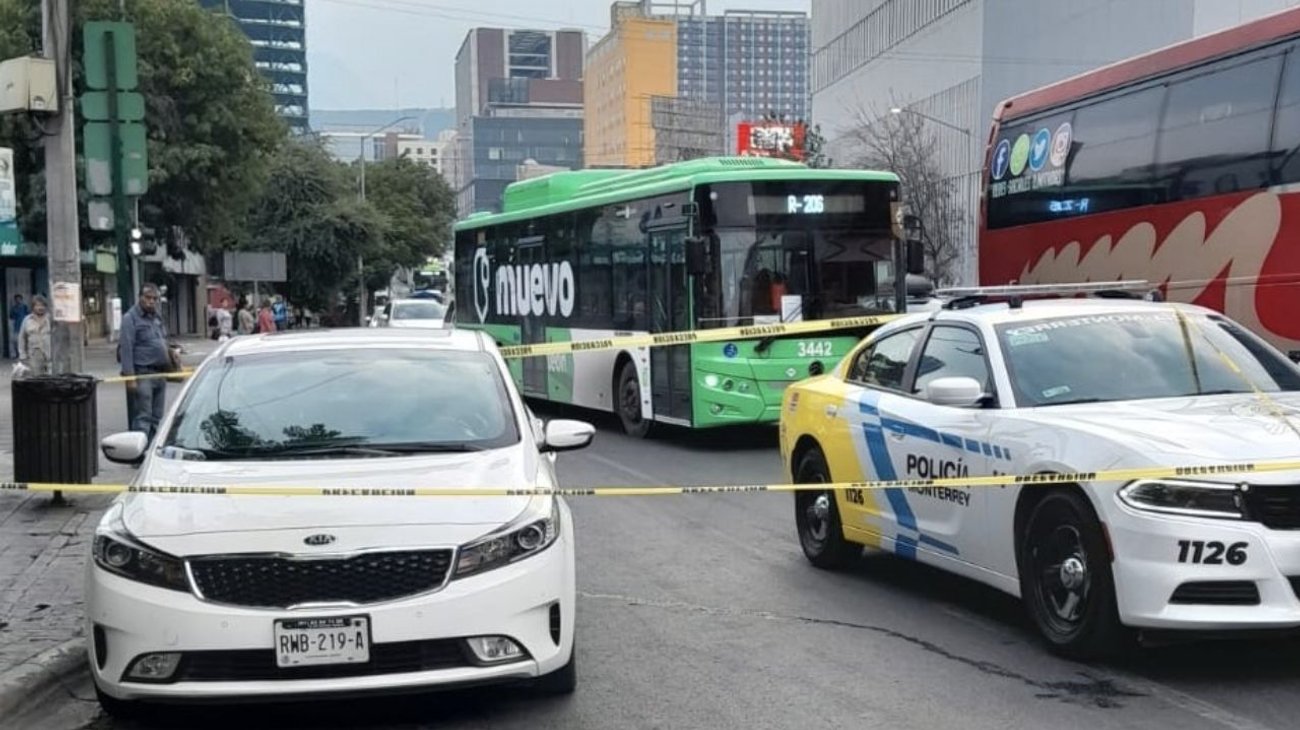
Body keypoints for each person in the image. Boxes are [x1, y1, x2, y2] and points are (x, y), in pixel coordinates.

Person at [119, 284, 171, 441]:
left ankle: (150, 451)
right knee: (143, 418)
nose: (151, 301)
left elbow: (163, 339)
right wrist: (130, 378)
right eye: (148, 297)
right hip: (143, 374)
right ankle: (139, 453)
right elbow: (126, 349)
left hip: (160, 373)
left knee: (156, 417)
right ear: (140, 297)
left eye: (155, 298)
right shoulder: (130, 318)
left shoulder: (156, 317)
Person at [17, 295, 51, 376]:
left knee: (52, 380)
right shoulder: (27, 320)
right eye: (38, 305)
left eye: (42, 305)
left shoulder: (51, 319)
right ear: (33, 307)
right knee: (36, 380)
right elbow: (22, 338)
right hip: (34, 357)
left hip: (50, 356)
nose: (40, 308)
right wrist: (22, 355)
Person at [9, 294, 29, 359]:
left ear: (21, 300)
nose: (18, 301)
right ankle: (17, 354)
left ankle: (26, 354)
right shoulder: (13, 308)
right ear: (15, 300)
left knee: (26, 341)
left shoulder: (25, 307)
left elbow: (28, 316)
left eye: (19, 299)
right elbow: (11, 317)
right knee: (16, 341)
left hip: (25, 326)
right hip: (16, 327)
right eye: (17, 299)